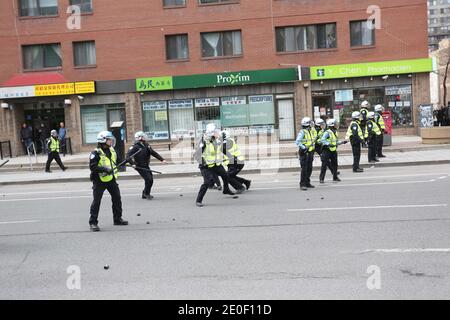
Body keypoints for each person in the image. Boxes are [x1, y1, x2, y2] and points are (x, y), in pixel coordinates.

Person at [194, 124, 244, 207]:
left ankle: (226, 190)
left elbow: (222, 149)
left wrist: (230, 156)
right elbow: (196, 155)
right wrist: (204, 163)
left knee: (226, 175)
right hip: (206, 166)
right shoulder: (204, 142)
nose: (218, 133)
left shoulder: (216, 140)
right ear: (212, 133)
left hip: (216, 164)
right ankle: (198, 200)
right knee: (207, 182)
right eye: (216, 131)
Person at [88, 131, 128, 232]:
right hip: (99, 180)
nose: (111, 141)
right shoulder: (95, 153)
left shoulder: (112, 150)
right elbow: (92, 166)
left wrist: (128, 161)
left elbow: (118, 161)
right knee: (96, 201)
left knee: (117, 198)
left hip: (111, 179)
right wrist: (104, 169)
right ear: (103, 140)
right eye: (109, 139)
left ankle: (117, 219)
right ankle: (93, 222)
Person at [127, 131, 168, 200]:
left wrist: (162, 160)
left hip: (146, 165)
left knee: (150, 180)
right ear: (140, 138)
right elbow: (128, 157)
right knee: (148, 179)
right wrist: (132, 164)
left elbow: (153, 153)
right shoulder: (135, 146)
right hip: (139, 166)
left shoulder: (146, 145)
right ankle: (146, 194)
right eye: (143, 136)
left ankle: (144, 193)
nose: (145, 137)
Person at [319, 119, 347, 183]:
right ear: (332, 125)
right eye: (335, 124)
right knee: (324, 165)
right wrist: (328, 144)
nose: (336, 125)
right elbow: (322, 140)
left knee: (335, 164)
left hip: (333, 150)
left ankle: (335, 177)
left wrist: (342, 142)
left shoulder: (335, 132)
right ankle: (321, 178)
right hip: (327, 150)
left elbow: (335, 142)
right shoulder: (327, 132)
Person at [295, 117, 315, 190]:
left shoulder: (310, 131)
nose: (311, 124)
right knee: (304, 169)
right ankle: (302, 184)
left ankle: (307, 182)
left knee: (309, 168)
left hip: (310, 152)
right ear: (308, 124)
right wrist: (304, 147)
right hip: (304, 152)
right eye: (310, 123)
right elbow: (297, 142)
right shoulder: (302, 132)